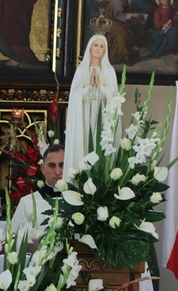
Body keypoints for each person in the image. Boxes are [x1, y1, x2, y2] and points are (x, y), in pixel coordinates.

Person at [63, 34, 119, 181]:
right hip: (84, 115)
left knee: (98, 141)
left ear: (105, 50)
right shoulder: (81, 70)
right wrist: (89, 87)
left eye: (102, 46)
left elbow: (114, 96)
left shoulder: (109, 71)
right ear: (90, 48)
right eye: (96, 45)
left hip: (103, 115)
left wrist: (99, 86)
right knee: (85, 143)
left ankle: (100, 178)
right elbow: (75, 96)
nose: (98, 49)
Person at [11, 144, 63, 243]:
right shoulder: (27, 203)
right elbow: (14, 241)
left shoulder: (79, 201)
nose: (57, 172)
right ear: (43, 168)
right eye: (52, 166)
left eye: (62, 165)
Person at [0, 0, 41, 67]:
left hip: (19, 6)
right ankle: (16, 58)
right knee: (5, 31)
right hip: (7, 5)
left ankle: (20, 59)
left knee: (16, 32)